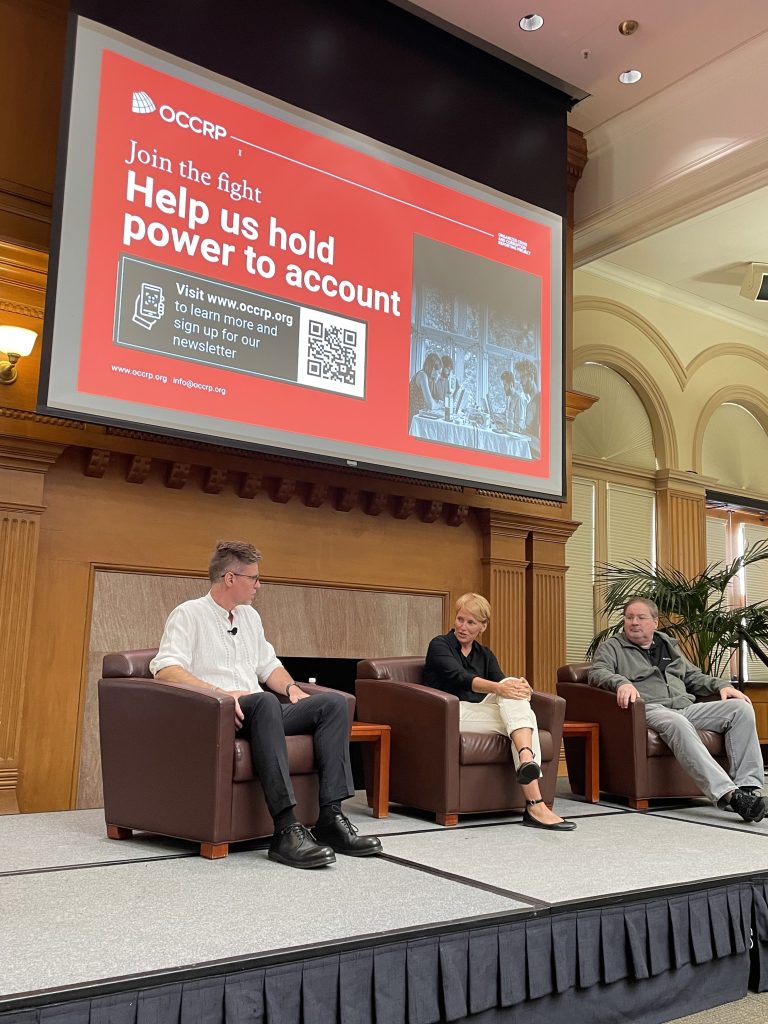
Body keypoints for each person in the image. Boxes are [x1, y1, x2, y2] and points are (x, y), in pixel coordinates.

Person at [150, 540, 382, 868]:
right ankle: (286, 828)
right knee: (262, 702)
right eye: (254, 578)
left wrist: (290, 688)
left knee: (330, 704)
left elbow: (268, 666)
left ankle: (330, 818)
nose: (259, 585)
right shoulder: (189, 614)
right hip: (222, 713)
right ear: (230, 578)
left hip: (261, 712)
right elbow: (165, 669)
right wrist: (220, 692)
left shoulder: (250, 617)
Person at [589, 596, 766, 822]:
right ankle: (730, 795)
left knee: (740, 709)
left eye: (641, 617)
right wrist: (621, 682)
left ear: (655, 622)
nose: (634, 622)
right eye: (629, 617)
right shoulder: (612, 646)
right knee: (677, 723)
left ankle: (747, 789)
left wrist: (722, 685)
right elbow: (597, 673)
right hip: (650, 709)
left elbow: (692, 676)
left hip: (685, 707)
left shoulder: (668, 645)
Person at [424, 593, 575, 831]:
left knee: (515, 691)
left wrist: (523, 687)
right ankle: (535, 801)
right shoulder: (439, 645)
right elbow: (459, 677)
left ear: (482, 627)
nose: (463, 627)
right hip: (449, 712)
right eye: (460, 619)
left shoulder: (485, 654)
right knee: (525, 718)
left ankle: (526, 762)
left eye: (471, 622)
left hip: (479, 713)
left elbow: (504, 685)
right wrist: (503, 688)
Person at [409, 352, 442, 424]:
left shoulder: (426, 377)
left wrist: (436, 402)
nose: (439, 376)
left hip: (418, 417)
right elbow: (431, 405)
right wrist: (440, 405)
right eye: (439, 372)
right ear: (432, 369)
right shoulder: (422, 375)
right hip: (413, 419)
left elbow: (429, 401)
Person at [517, 359, 540, 454]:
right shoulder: (530, 402)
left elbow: (541, 441)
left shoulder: (540, 400)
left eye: (522, 377)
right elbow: (529, 431)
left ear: (531, 376)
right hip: (527, 450)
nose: (520, 382)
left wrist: (519, 432)